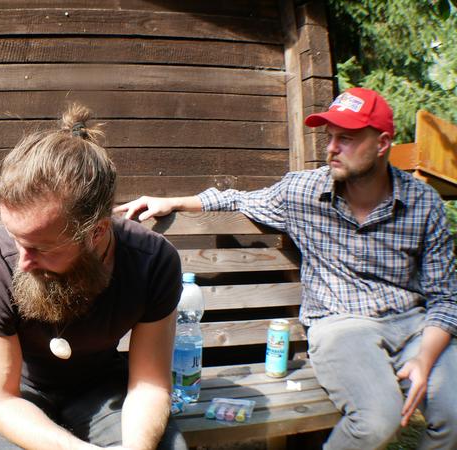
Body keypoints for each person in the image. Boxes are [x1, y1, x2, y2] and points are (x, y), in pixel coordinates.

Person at [115, 87, 457, 450]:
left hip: (414, 326)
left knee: (453, 415)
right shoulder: (302, 192)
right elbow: (236, 199)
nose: (332, 148)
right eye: (330, 137)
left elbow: (446, 297)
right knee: (376, 421)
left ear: (382, 143)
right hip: (342, 325)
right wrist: (171, 201)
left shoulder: (422, 203)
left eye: (347, 138)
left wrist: (425, 357)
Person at [0, 104, 188, 450]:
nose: (22, 262)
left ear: (97, 232)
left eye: (40, 248)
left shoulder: (153, 262)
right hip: (17, 388)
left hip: (102, 386)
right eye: (14, 239)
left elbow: (150, 384)